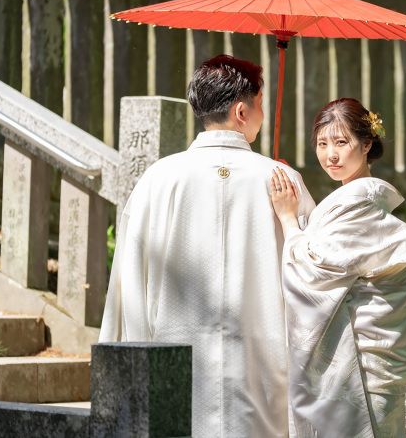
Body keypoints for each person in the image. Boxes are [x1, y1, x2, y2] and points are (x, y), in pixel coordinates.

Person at [99, 54, 315, 438]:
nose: (263, 113)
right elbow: (313, 271)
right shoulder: (282, 179)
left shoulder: (159, 177)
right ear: (241, 111)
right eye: (260, 103)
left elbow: (129, 283)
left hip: (173, 363)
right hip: (264, 371)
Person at [269, 98, 406, 437]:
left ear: (367, 143)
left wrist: (288, 218)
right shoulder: (353, 202)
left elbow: (310, 270)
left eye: (341, 142)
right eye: (322, 143)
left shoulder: (358, 205)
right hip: (371, 369)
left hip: (360, 370)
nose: (331, 154)